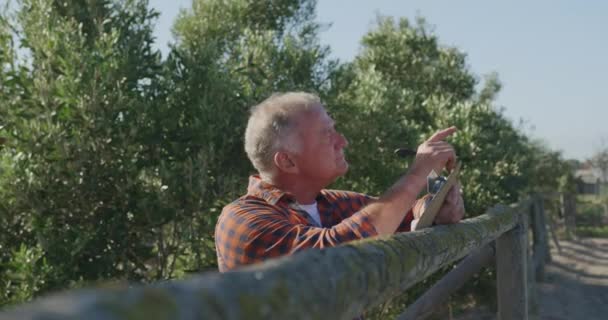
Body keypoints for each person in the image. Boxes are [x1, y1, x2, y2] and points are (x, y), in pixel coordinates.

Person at [215, 92, 465, 272]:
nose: (342, 141)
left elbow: (397, 214)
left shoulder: (327, 202)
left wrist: (433, 207)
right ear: (288, 162)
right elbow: (334, 254)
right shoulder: (242, 221)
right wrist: (415, 176)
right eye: (327, 135)